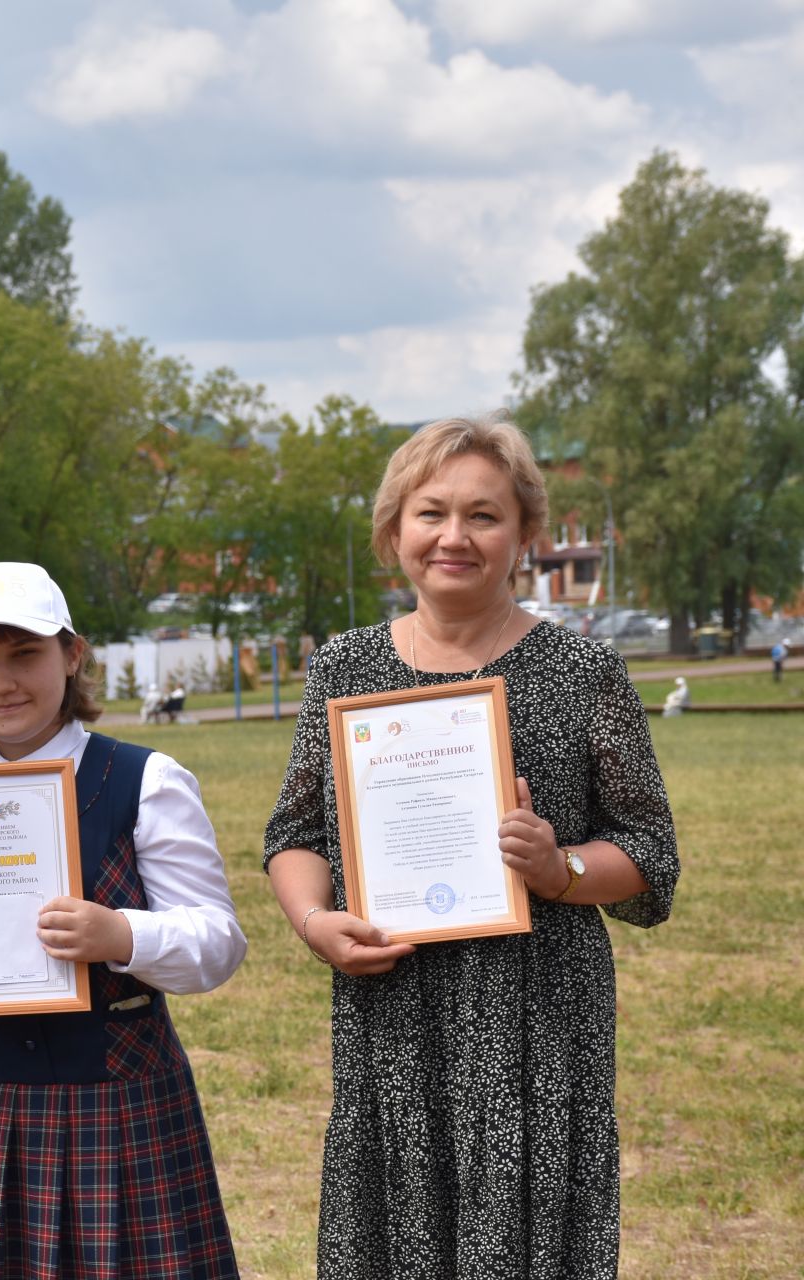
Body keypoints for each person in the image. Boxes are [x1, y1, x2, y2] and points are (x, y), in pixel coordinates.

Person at [264, 416, 678, 1279]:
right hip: (392, 1011)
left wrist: (556, 869)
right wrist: (314, 921)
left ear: (525, 534)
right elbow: (295, 834)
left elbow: (650, 861)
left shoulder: (581, 670)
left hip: (537, 1021)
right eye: (431, 513)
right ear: (393, 531)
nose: (454, 536)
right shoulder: (343, 671)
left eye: (484, 516)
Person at [0, 561, 247, 1280]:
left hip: (116, 1104)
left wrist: (122, 936)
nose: (2, 682)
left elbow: (218, 943)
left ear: (72, 654)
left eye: (24, 653)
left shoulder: (145, 781)